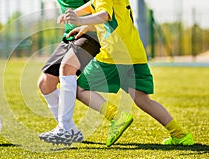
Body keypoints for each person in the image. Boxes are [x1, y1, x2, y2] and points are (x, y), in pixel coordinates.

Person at [54, 0, 194, 147]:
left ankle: (116, 116)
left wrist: (79, 19)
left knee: (79, 88)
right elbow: (107, 15)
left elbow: (104, 15)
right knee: (142, 99)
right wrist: (82, 22)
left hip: (115, 55)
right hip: (135, 54)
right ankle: (180, 135)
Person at [37, 0, 102, 145]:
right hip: (69, 36)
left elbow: (103, 8)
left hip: (91, 34)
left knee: (67, 68)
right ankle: (71, 131)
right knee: (45, 83)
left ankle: (64, 129)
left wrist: (85, 22)